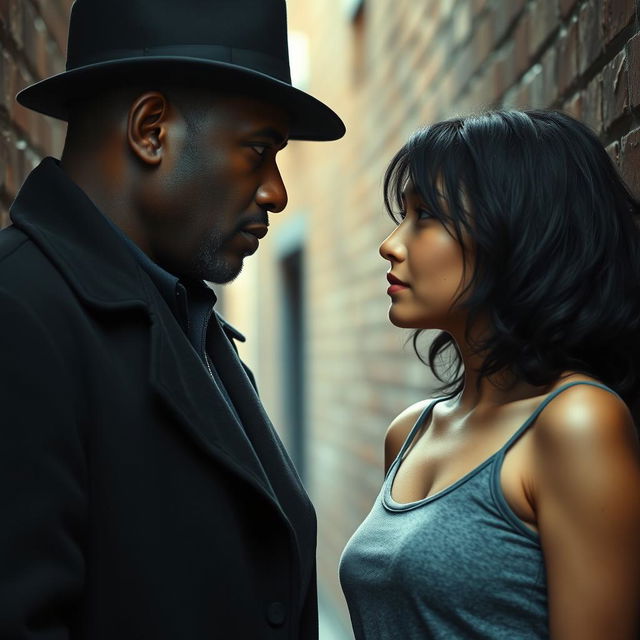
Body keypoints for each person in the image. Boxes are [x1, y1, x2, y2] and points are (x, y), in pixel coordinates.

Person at [0, 0, 344, 637]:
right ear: (151, 130)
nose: (277, 191)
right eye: (259, 149)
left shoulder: (182, 312)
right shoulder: (19, 316)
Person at [339, 110, 640, 639]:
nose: (392, 243)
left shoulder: (575, 424)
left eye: (425, 215)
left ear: (517, 230)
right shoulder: (409, 432)